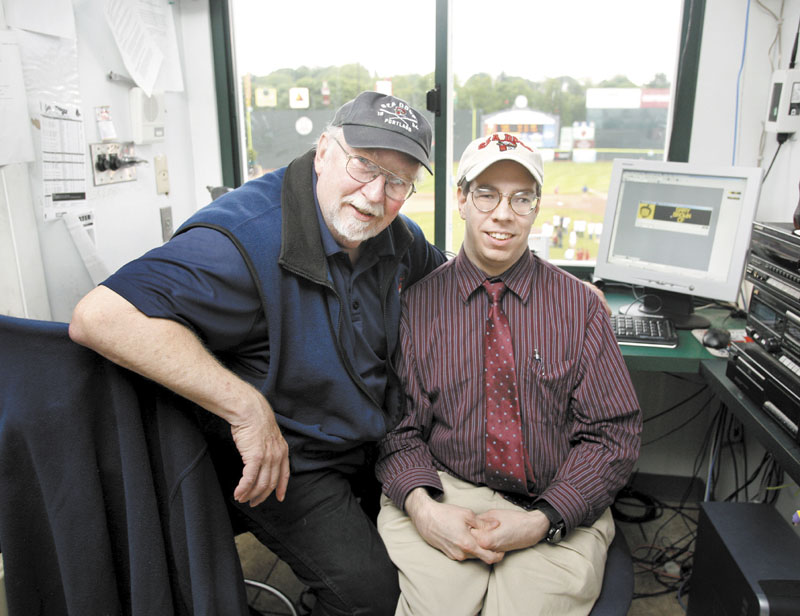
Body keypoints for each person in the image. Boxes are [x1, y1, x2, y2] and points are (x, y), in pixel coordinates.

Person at [69, 91, 446, 616]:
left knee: (440, 574)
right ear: (323, 151)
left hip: (368, 440)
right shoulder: (241, 239)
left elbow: (452, 279)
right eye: (364, 164)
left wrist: (555, 287)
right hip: (292, 460)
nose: (374, 193)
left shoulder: (398, 238)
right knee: (378, 599)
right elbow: (100, 316)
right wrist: (246, 409)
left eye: (398, 181)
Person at [375, 133, 642, 616]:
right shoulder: (416, 307)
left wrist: (544, 519)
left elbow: (613, 435)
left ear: (537, 206)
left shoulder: (579, 307)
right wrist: (425, 510)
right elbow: (398, 430)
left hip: (554, 494)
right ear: (460, 199)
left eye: (522, 197)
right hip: (446, 487)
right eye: (486, 193)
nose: (503, 213)